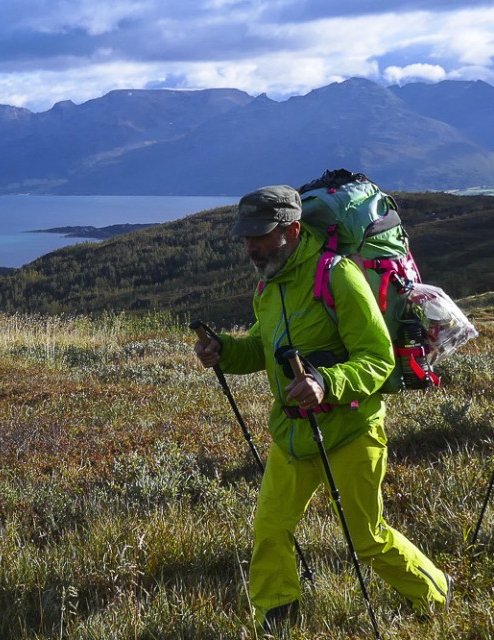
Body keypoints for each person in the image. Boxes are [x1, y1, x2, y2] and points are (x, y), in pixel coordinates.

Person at [194, 185, 450, 632]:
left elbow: (377, 358)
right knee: (271, 531)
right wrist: (224, 351)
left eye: (262, 235)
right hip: (294, 436)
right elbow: (262, 346)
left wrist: (326, 382)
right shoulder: (270, 285)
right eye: (246, 237)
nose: (251, 246)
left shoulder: (337, 275)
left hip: (352, 430)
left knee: (366, 540)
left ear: (292, 230)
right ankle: (279, 618)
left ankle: (436, 595)